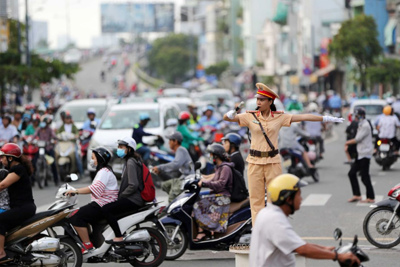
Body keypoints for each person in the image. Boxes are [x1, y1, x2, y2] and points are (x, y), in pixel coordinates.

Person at [223, 83, 344, 224]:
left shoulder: (279, 117)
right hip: (255, 162)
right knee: (256, 201)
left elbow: (302, 117)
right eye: (258, 99)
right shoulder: (250, 117)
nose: (258, 102)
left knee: (275, 198)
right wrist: (230, 114)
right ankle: (258, 232)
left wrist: (325, 118)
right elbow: (228, 118)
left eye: (262, 100)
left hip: (273, 162)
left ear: (270, 102)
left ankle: (273, 228)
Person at [249, 174, 360, 267]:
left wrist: (323, 248)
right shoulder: (274, 220)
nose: (301, 199)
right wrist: (338, 256)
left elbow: (294, 243)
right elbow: (302, 249)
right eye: (299, 195)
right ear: (288, 199)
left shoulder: (269, 213)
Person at [65, 147, 118, 253]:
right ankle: (89, 241)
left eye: (93, 158)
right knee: (82, 215)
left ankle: (87, 245)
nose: (91, 160)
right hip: (102, 203)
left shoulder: (104, 172)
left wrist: (75, 191)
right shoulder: (104, 171)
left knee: (75, 216)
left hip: (103, 205)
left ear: (99, 158)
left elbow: (94, 188)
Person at [102, 137, 145, 243]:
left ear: (129, 149)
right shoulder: (130, 161)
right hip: (133, 198)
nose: (119, 149)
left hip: (133, 199)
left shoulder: (130, 162)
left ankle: (119, 236)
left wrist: (121, 196)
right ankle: (123, 235)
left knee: (106, 209)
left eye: (121, 147)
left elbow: (133, 185)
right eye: (118, 147)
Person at [0, 143, 36, 263]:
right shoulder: (15, 169)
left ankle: (1, 253)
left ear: (10, 158)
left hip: (23, 207)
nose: (1, 160)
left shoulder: (18, 169)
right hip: (22, 207)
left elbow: (3, 185)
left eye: (3, 157)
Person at [192, 143, 233, 241]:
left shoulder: (225, 168)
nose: (209, 157)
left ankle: (202, 232)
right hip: (217, 195)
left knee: (197, 205)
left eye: (211, 155)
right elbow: (213, 179)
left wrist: (205, 184)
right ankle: (206, 229)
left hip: (223, 197)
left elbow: (220, 184)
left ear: (216, 156)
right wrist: (202, 178)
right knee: (198, 200)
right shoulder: (219, 167)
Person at [153, 132, 194, 203]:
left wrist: (160, 168)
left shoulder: (181, 149)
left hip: (187, 179)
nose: (168, 143)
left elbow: (176, 164)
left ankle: (175, 203)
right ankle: (178, 199)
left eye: (170, 140)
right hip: (183, 178)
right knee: (165, 185)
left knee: (171, 199)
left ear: (175, 141)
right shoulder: (179, 150)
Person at [345, 108, 375, 203]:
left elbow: (357, 139)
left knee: (364, 176)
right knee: (352, 173)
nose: (356, 117)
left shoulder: (365, 125)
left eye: (357, 116)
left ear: (362, 115)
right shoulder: (361, 124)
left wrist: (347, 143)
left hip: (365, 154)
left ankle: (371, 197)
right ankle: (357, 195)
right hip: (360, 154)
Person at [33, 116, 59, 186]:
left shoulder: (50, 130)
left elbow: (54, 137)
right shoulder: (39, 129)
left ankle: (56, 180)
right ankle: (32, 180)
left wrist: (54, 141)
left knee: (53, 163)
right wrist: (31, 141)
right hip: (41, 148)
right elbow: (34, 136)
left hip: (48, 148)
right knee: (34, 162)